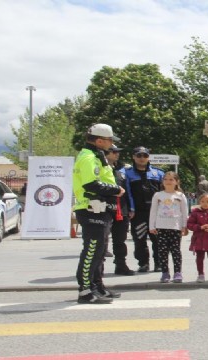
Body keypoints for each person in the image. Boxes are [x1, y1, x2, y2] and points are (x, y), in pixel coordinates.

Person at [72, 123, 125, 304]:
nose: (112, 144)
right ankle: (85, 291)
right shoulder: (88, 158)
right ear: (100, 140)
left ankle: (97, 286)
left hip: (101, 209)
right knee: (92, 251)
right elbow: (91, 184)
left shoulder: (96, 155)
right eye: (110, 140)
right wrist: (116, 189)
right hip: (91, 208)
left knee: (100, 251)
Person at [126, 146, 164, 273]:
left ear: (149, 157)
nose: (142, 158)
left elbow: (164, 193)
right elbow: (128, 193)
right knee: (139, 238)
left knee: (158, 239)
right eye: (139, 155)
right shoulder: (128, 173)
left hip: (156, 212)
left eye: (145, 156)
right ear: (133, 157)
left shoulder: (158, 173)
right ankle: (143, 263)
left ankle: (159, 263)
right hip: (138, 213)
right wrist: (131, 209)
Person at [149, 171, 189, 283]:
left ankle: (178, 272)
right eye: (166, 179)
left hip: (175, 227)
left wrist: (184, 226)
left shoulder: (180, 196)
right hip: (161, 226)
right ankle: (165, 272)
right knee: (162, 251)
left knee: (175, 250)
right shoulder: (158, 195)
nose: (168, 182)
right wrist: (152, 225)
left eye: (171, 179)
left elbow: (184, 211)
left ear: (177, 182)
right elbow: (153, 211)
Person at [104, 145, 134, 276]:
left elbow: (127, 191)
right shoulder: (100, 168)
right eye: (113, 152)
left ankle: (121, 265)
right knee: (102, 240)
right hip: (105, 209)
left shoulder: (122, 171)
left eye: (118, 152)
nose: (117, 154)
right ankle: (98, 268)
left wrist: (130, 208)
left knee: (120, 240)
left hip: (121, 210)